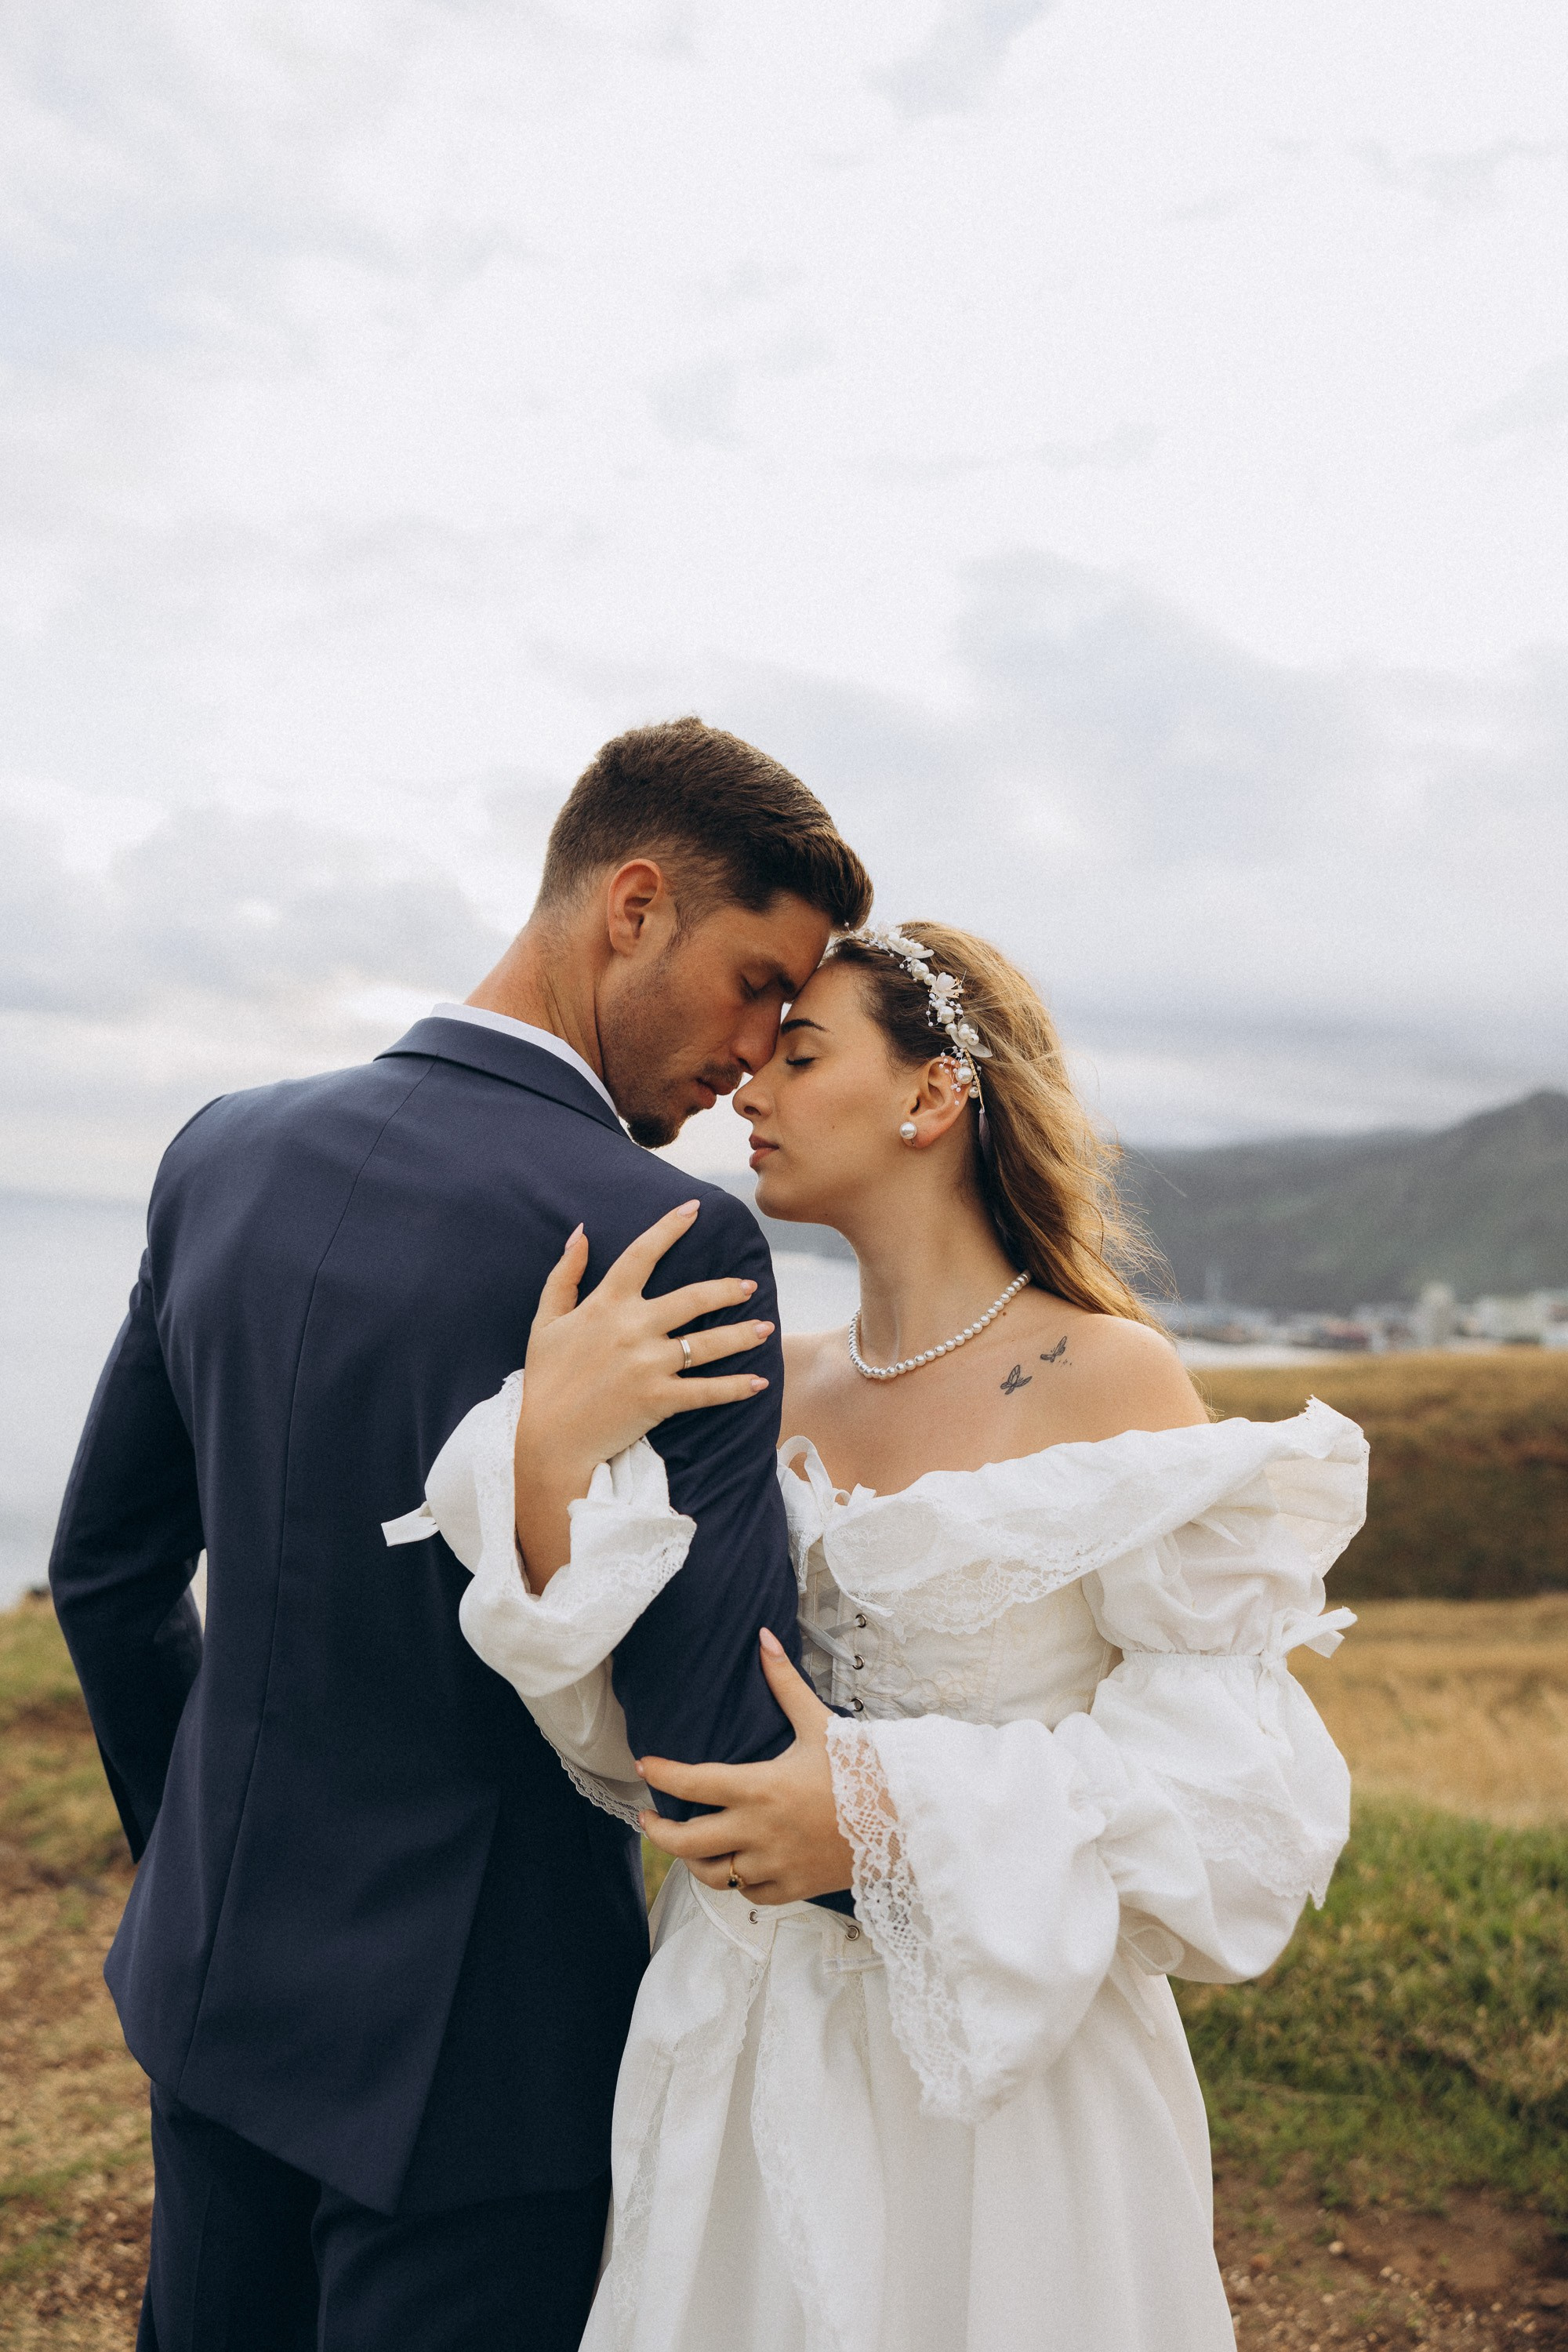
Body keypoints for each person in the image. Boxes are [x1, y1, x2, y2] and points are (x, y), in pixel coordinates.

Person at [412, 920, 1367, 2352]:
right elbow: (630, 1724)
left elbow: (1232, 1796)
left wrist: (881, 1816)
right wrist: (546, 1463)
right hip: (737, 2023)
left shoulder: (1105, 1373)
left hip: (995, 2061)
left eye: (801, 1056)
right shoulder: (763, 1378)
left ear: (931, 1098)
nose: (749, 1089)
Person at [47, 716, 872, 2352]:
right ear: (632, 904)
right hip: (483, 2070)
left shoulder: (223, 1148)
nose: (761, 1050)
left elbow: (109, 1572)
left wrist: (206, 1856)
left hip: (211, 1987)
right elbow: (712, 1742)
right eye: (759, 982)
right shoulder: (665, 1232)